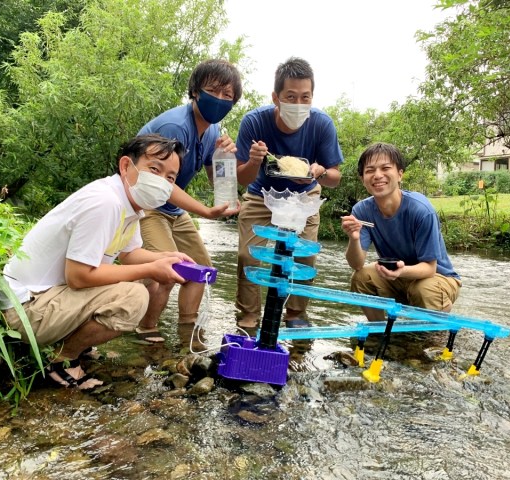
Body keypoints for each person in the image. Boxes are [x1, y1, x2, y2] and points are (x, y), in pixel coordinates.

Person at [0, 134, 193, 389]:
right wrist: (150, 268)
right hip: (24, 310)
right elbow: (78, 277)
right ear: (126, 166)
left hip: (47, 295)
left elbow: (129, 254)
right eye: (154, 169)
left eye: (170, 177)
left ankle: (78, 341)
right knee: (134, 297)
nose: (162, 182)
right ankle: (62, 360)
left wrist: (166, 258)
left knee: (147, 276)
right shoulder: (105, 202)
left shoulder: (129, 204)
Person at [135, 59, 242, 342]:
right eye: (213, 91)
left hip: (171, 208)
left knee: (200, 271)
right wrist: (206, 212)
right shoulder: (176, 127)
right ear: (195, 91)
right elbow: (159, 184)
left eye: (227, 96)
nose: (219, 99)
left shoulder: (214, 132)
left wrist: (226, 159)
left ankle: (188, 332)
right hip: (146, 204)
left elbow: (214, 180)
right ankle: (145, 331)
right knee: (167, 268)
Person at [234, 57, 344, 329]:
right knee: (249, 255)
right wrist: (254, 162)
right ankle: (249, 316)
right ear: (276, 97)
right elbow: (240, 177)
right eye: (290, 97)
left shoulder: (321, 124)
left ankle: (295, 314)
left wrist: (319, 171)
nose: (298, 104)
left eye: (304, 97)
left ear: (312, 97)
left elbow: (335, 178)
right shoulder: (254, 123)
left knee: (305, 256)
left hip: (304, 197)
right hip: (262, 194)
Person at [341, 142, 461, 320]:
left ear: (400, 174)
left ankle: (435, 338)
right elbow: (356, 264)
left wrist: (400, 272)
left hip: (436, 278)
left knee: (422, 289)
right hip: (397, 277)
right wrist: (354, 238)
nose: (378, 175)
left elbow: (429, 268)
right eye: (370, 170)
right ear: (362, 178)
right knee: (361, 277)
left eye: (385, 168)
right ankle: (380, 333)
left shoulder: (421, 210)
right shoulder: (361, 211)